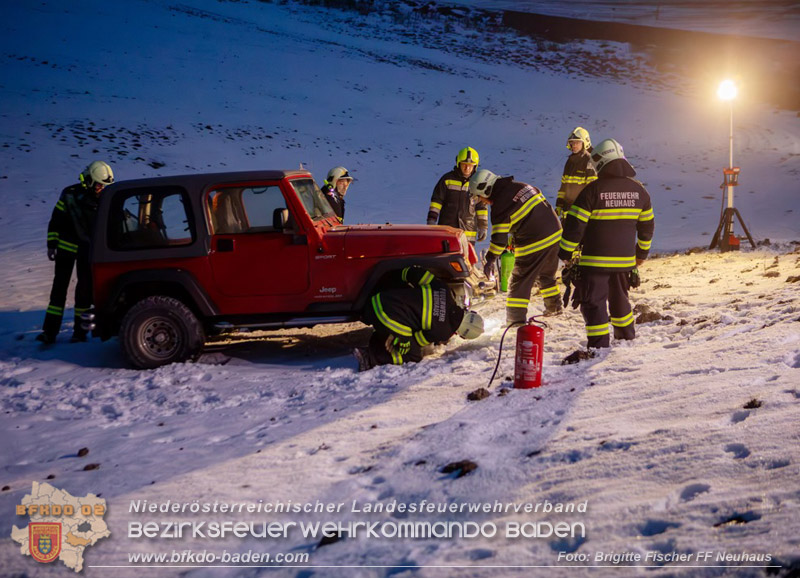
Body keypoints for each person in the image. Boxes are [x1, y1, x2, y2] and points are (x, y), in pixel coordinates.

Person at [557, 138, 655, 359]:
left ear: (600, 161)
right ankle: (626, 337)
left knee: (594, 303)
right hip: (624, 263)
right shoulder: (639, 191)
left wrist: (565, 253)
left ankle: (599, 347)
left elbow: (575, 228)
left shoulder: (592, 191)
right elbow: (647, 226)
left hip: (595, 262)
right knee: (620, 299)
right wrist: (641, 254)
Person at [468, 170, 563, 324]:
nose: (482, 202)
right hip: (555, 234)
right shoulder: (521, 186)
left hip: (534, 241)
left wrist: (490, 259)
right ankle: (554, 308)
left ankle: (515, 320)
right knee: (546, 275)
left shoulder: (500, 206)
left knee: (519, 281)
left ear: (486, 189)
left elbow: (499, 240)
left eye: (480, 197)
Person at [37, 161, 114, 344]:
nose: (100, 188)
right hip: (65, 250)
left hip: (87, 252)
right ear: (88, 180)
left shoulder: (105, 199)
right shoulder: (69, 195)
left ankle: (79, 334)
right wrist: (51, 244)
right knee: (58, 291)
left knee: (84, 293)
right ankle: (49, 332)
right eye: (98, 184)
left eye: (104, 186)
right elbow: (56, 220)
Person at [354, 266, 484, 370]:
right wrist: (403, 342)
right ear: (462, 335)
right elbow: (416, 341)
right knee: (413, 354)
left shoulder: (444, 290)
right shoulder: (443, 332)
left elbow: (415, 273)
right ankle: (370, 358)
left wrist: (397, 276)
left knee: (409, 307)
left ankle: (384, 335)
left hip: (378, 297)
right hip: (382, 316)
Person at [427, 147, 488, 245]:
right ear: (458, 163)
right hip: (447, 231)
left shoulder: (478, 183)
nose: (467, 168)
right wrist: (431, 220)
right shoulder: (447, 180)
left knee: (466, 260)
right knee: (445, 259)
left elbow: (482, 207)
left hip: (468, 233)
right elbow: (436, 202)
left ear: (475, 166)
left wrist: (483, 227)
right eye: (464, 164)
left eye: (470, 165)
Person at [555, 127, 597, 220]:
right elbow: (563, 187)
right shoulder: (569, 162)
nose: (574, 145)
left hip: (581, 215)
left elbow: (591, 191)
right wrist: (559, 204)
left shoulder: (589, 162)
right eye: (572, 142)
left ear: (585, 143)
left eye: (577, 142)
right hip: (567, 213)